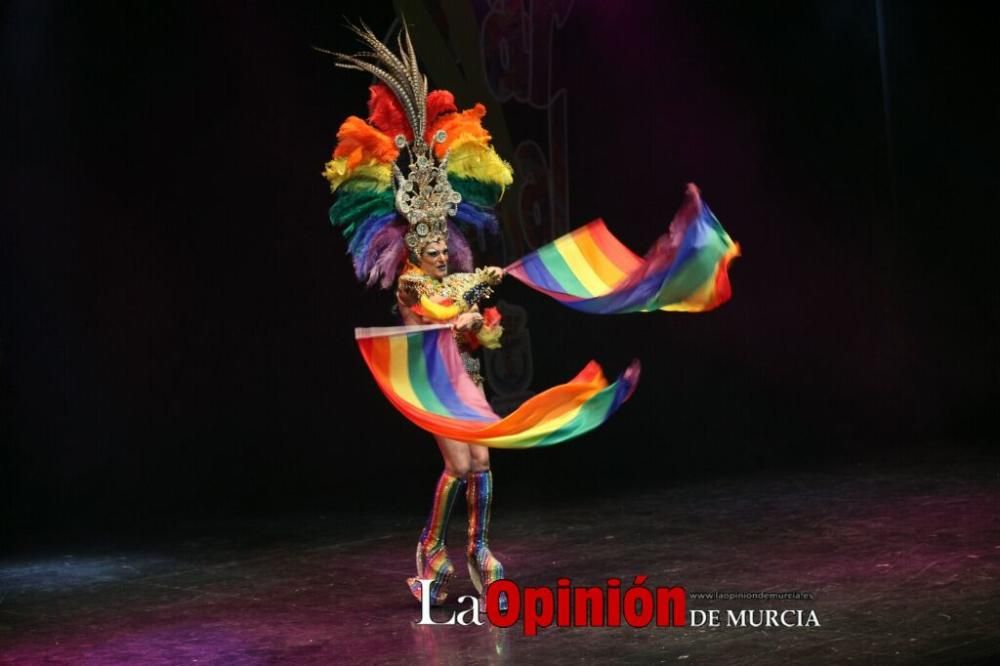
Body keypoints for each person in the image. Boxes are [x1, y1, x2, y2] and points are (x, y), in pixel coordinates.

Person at [320, 22, 515, 607]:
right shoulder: (409, 285)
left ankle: (479, 549)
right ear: (411, 244)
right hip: (431, 384)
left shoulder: (456, 276)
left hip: (466, 378)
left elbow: (474, 334)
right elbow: (431, 313)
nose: (434, 249)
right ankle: (431, 547)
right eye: (425, 242)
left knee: (482, 461)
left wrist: (480, 326)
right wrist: (457, 317)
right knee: (458, 462)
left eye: (439, 242)